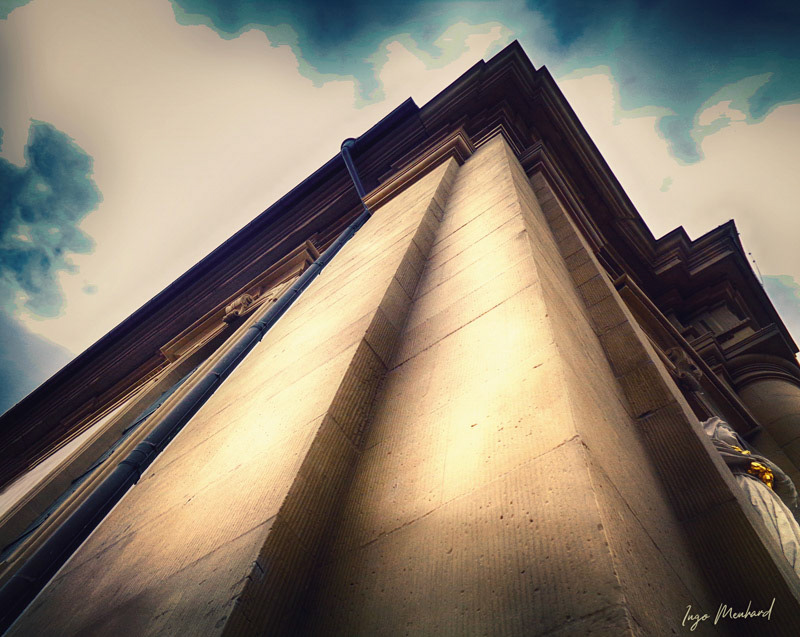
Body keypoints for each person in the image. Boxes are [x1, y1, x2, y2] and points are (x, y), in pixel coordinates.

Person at [703, 416, 800, 577]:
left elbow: (788, 490)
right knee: (772, 537)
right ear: (711, 432)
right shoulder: (717, 450)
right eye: (724, 430)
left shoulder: (752, 462)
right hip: (740, 486)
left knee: (789, 537)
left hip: (764, 494)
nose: (731, 434)